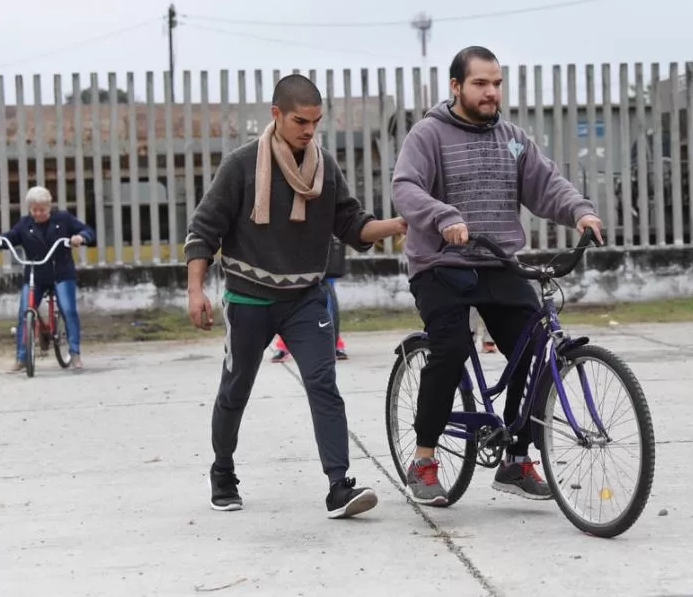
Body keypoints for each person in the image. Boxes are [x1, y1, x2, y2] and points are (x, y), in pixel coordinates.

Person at [184, 74, 407, 518]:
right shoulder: (241, 165)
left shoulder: (325, 168)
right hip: (249, 300)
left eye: (316, 122)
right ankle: (223, 470)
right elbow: (204, 230)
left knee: (324, 384)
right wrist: (195, 291)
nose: (309, 130)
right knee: (236, 388)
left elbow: (353, 225)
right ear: (276, 115)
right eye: (300, 121)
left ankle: (338, 486)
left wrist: (400, 224)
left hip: (306, 297)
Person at [391, 46, 603, 506]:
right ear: (455, 87)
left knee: (536, 347)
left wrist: (581, 213)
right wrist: (442, 215)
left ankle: (514, 459)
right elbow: (404, 187)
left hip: (498, 262)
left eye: (497, 83)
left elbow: (547, 185)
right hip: (441, 265)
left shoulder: (512, 137)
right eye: (480, 84)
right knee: (447, 350)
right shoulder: (428, 135)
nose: (491, 92)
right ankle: (424, 459)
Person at [0, 185, 95, 372]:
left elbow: (88, 231)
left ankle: (75, 353)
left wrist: (80, 237)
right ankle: (21, 358)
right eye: (34, 209)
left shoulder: (63, 219)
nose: (38, 213)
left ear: (49, 206)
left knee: (68, 310)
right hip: (35, 275)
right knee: (24, 313)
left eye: (42, 209)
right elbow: (11, 237)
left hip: (60, 273)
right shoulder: (24, 224)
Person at [272, 239, 348, 362]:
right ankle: (283, 343)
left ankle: (335, 342)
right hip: (292, 243)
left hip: (320, 243)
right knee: (290, 290)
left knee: (327, 290)